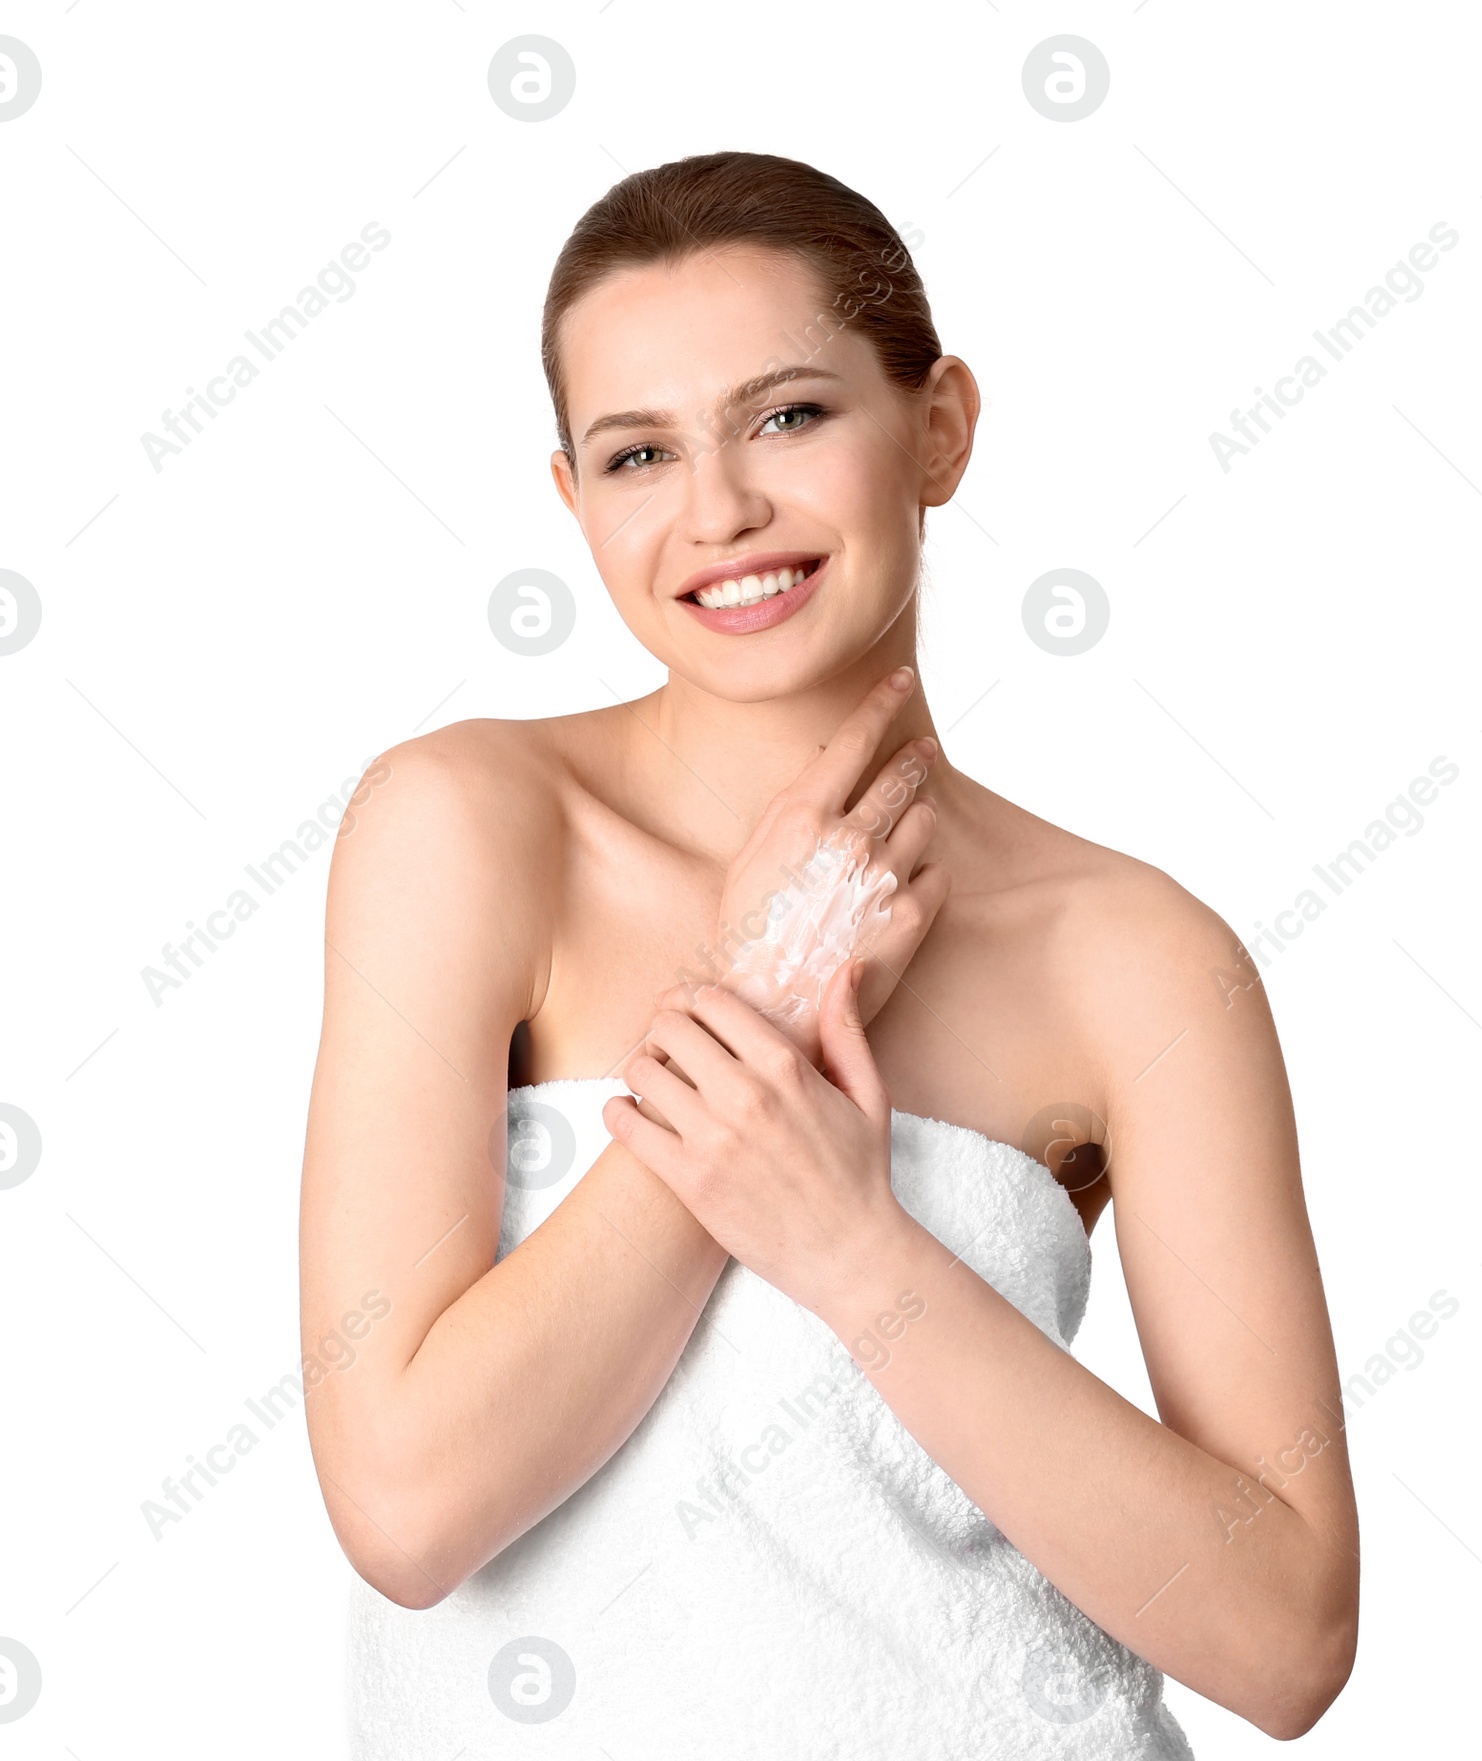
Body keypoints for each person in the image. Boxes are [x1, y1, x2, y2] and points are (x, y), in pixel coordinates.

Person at [299, 149, 1358, 1757]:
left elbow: (1287, 1638)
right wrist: (756, 997)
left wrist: (860, 1253)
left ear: (939, 429)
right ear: (574, 501)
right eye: (639, 451)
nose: (719, 510)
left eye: (788, 415)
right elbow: (408, 1503)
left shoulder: (1134, 956)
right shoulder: (466, 827)